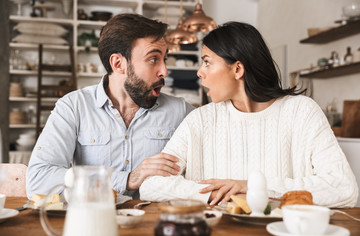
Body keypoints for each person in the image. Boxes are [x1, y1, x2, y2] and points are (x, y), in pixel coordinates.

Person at [140, 22, 359, 208]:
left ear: (237, 69)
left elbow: (344, 189)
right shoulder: (200, 120)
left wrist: (254, 188)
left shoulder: (302, 112)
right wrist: (220, 195)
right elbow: (151, 186)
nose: (200, 71)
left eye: (207, 61)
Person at [26, 14, 194, 200]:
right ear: (118, 64)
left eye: (165, 59)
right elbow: (38, 180)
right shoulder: (73, 107)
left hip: (158, 224)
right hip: (94, 222)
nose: (164, 71)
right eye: (153, 59)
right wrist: (127, 179)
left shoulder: (181, 111)